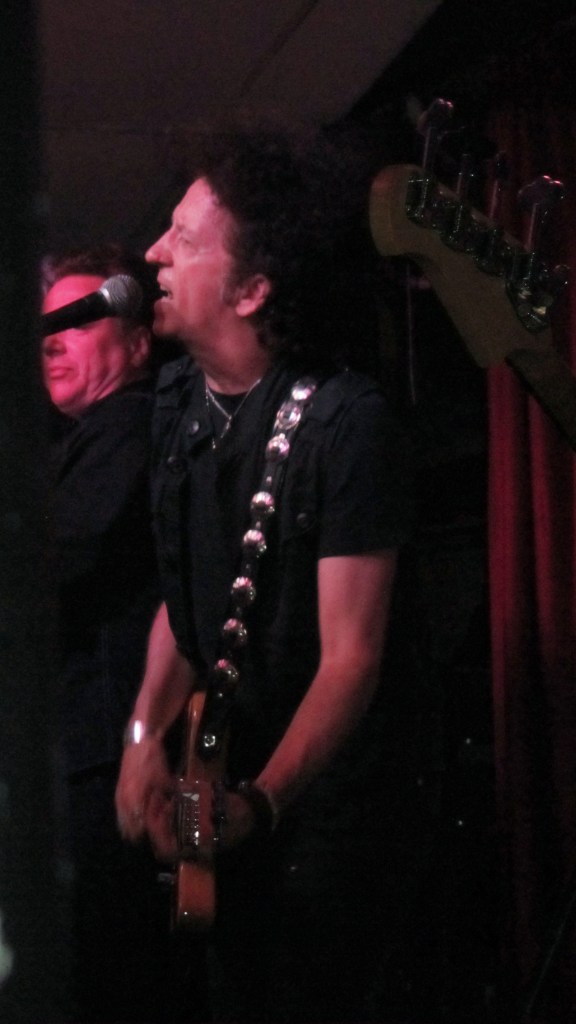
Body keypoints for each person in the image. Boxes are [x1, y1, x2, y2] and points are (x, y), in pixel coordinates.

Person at [115, 123, 415, 1023]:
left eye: (183, 239)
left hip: (331, 808)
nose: (153, 254)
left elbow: (352, 658)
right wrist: (143, 737)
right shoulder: (176, 401)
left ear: (251, 290)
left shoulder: (345, 423)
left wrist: (263, 802)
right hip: (226, 777)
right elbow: (184, 604)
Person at [42, 243, 179, 1023]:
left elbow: (62, 557)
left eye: (78, 320)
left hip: (104, 760)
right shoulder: (78, 443)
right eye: (45, 327)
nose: (52, 341)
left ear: (136, 342)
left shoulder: (128, 424)